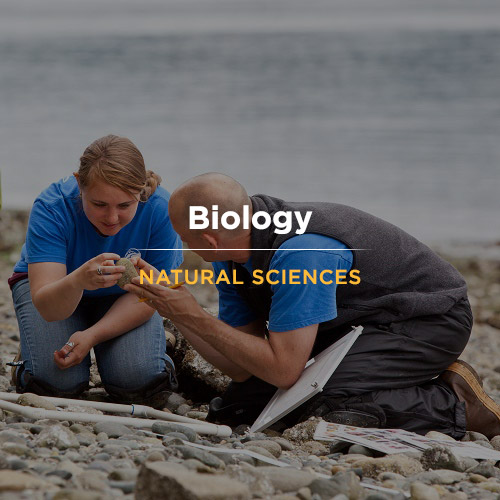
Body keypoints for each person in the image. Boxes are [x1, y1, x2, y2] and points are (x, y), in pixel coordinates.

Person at [125, 173, 500, 438]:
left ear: (207, 239)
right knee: (238, 411)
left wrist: (191, 312)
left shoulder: (301, 254)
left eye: (184, 237)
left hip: (426, 318)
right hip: (354, 323)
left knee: (327, 407)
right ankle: (391, 376)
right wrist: (174, 309)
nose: (185, 247)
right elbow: (241, 368)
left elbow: (284, 371)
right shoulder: (234, 255)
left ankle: (456, 401)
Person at [9, 135, 182, 407]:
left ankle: (159, 346)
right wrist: (78, 279)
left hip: (125, 296)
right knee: (57, 387)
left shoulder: (161, 209)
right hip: (55, 292)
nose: (112, 219)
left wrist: (91, 336)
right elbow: (49, 307)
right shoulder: (52, 207)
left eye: (125, 205)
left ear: (141, 191)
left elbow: (152, 294)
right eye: (99, 204)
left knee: (138, 383)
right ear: (79, 183)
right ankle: (30, 358)